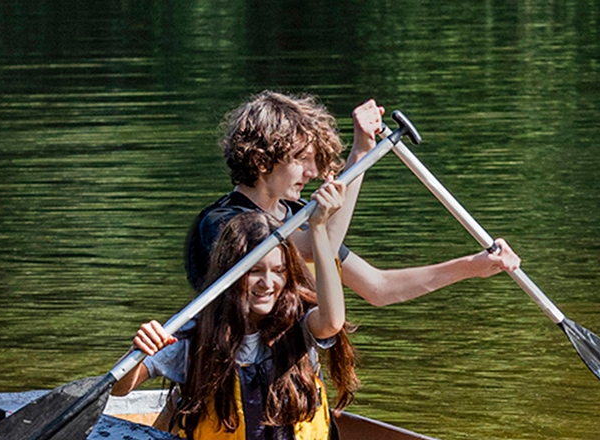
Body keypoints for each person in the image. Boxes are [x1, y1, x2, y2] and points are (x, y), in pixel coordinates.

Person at [115, 180, 353, 440]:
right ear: (230, 274)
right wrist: (140, 350)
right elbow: (119, 388)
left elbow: (332, 321)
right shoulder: (194, 333)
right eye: (255, 271)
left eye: (278, 271)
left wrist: (318, 228)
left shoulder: (298, 323)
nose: (268, 284)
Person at [185, 91, 522, 304]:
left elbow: (378, 288)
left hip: (291, 382)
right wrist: (360, 155)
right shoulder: (223, 223)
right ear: (260, 161)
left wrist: (471, 266)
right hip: (232, 380)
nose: (312, 172)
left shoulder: (298, 216)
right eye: (301, 160)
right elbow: (320, 249)